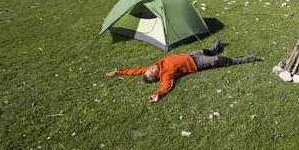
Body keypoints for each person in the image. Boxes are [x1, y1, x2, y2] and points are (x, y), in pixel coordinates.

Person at [105, 37, 256, 103]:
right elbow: (166, 86)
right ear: (156, 76)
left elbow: (135, 71)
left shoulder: (155, 66)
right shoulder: (166, 75)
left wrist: (118, 72)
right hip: (197, 64)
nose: (150, 68)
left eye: (148, 69)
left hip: (190, 55)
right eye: (151, 71)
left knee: (206, 50)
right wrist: (158, 94)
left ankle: (216, 46)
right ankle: (245, 59)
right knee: (221, 61)